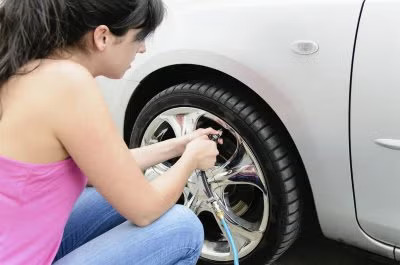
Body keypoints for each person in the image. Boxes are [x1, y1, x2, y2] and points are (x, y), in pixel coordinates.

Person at [0, 0, 221, 264]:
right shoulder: (67, 83)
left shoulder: (27, 68)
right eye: (139, 36)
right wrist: (191, 161)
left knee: (112, 199)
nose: (142, 47)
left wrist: (178, 146)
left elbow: (105, 168)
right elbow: (144, 210)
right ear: (102, 36)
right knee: (182, 228)